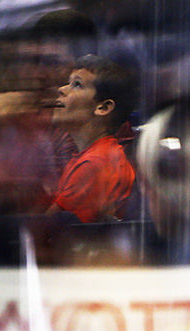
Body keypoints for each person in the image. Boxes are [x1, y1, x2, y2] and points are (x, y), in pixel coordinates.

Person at [48, 53, 136, 222]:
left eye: (77, 85)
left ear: (103, 107)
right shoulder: (95, 156)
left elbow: (45, 230)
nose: (62, 89)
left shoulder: (95, 164)